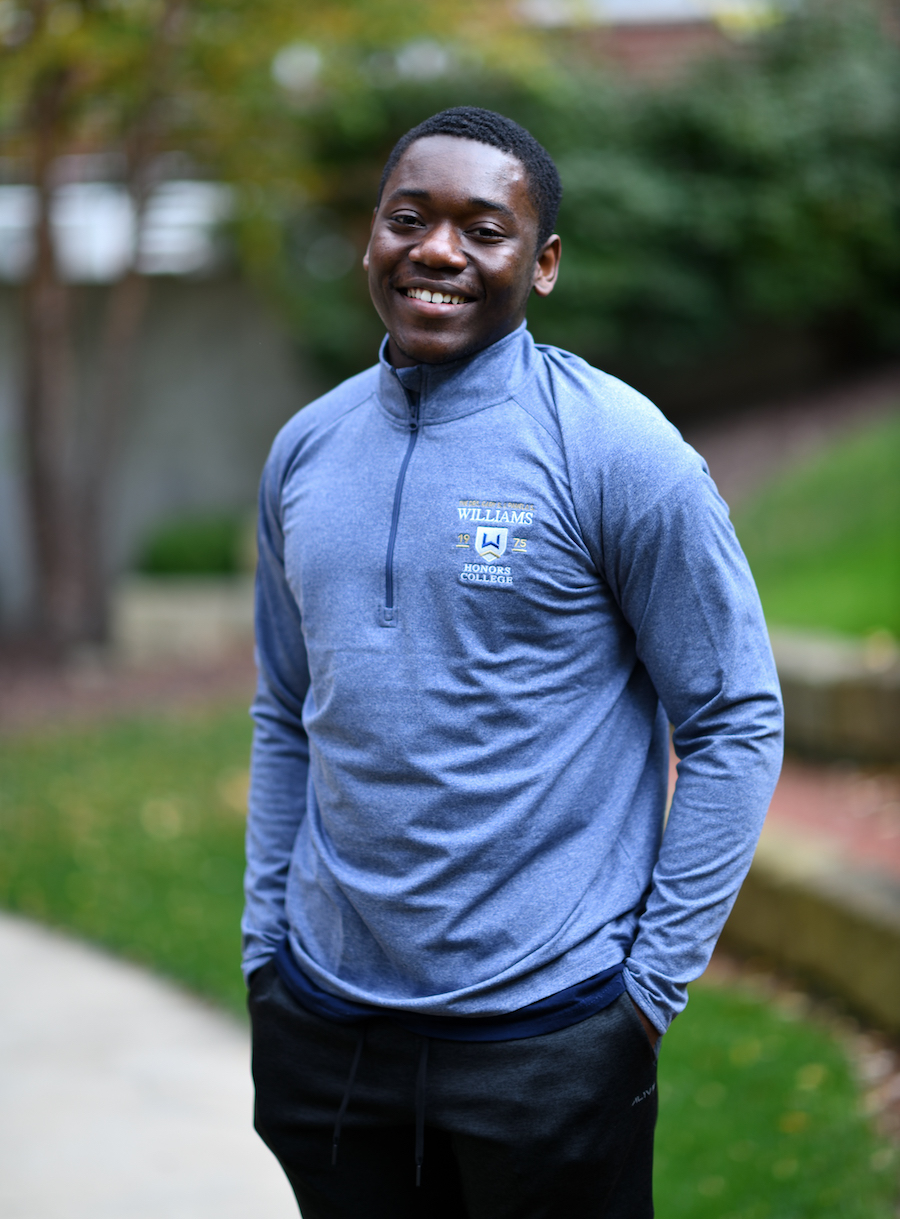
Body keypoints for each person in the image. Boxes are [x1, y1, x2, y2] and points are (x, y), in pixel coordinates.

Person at [242, 106, 783, 1219]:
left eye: (482, 230)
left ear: (540, 266)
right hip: (328, 1033)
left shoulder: (621, 453)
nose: (437, 251)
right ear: (370, 240)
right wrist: (267, 956)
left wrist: (641, 1001)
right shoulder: (304, 449)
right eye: (409, 219)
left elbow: (734, 719)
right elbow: (285, 708)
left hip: (549, 1040)